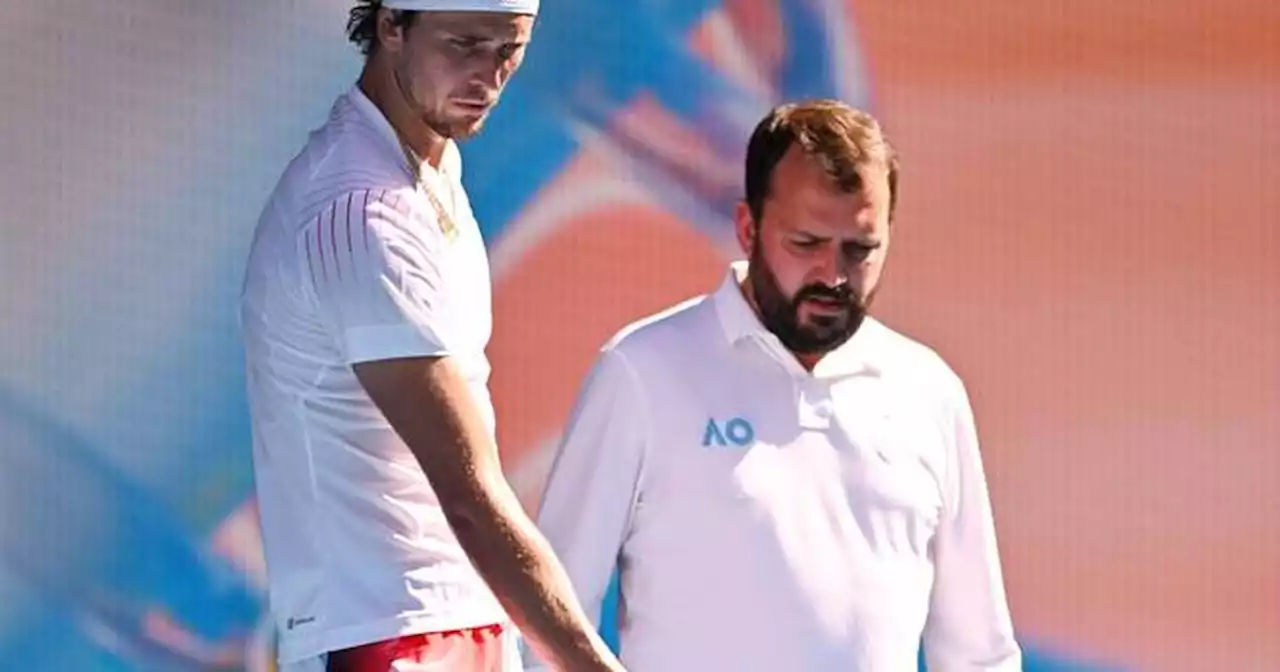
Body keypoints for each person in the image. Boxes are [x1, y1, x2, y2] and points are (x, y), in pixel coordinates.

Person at [528, 100, 1023, 671]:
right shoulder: (642, 372)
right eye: (806, 243)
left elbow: (978, 651)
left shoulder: (928, 390)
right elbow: (550, 617)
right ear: (748, 228)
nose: (832, 276)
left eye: (859, 249)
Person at [238, 2, 623, 670]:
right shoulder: (362, 216)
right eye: (464, 45)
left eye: (509, 50)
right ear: (391, 26)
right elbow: (469, 498)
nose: (488, 76)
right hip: (382, 633)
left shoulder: (427, 168)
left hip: (454, 615)